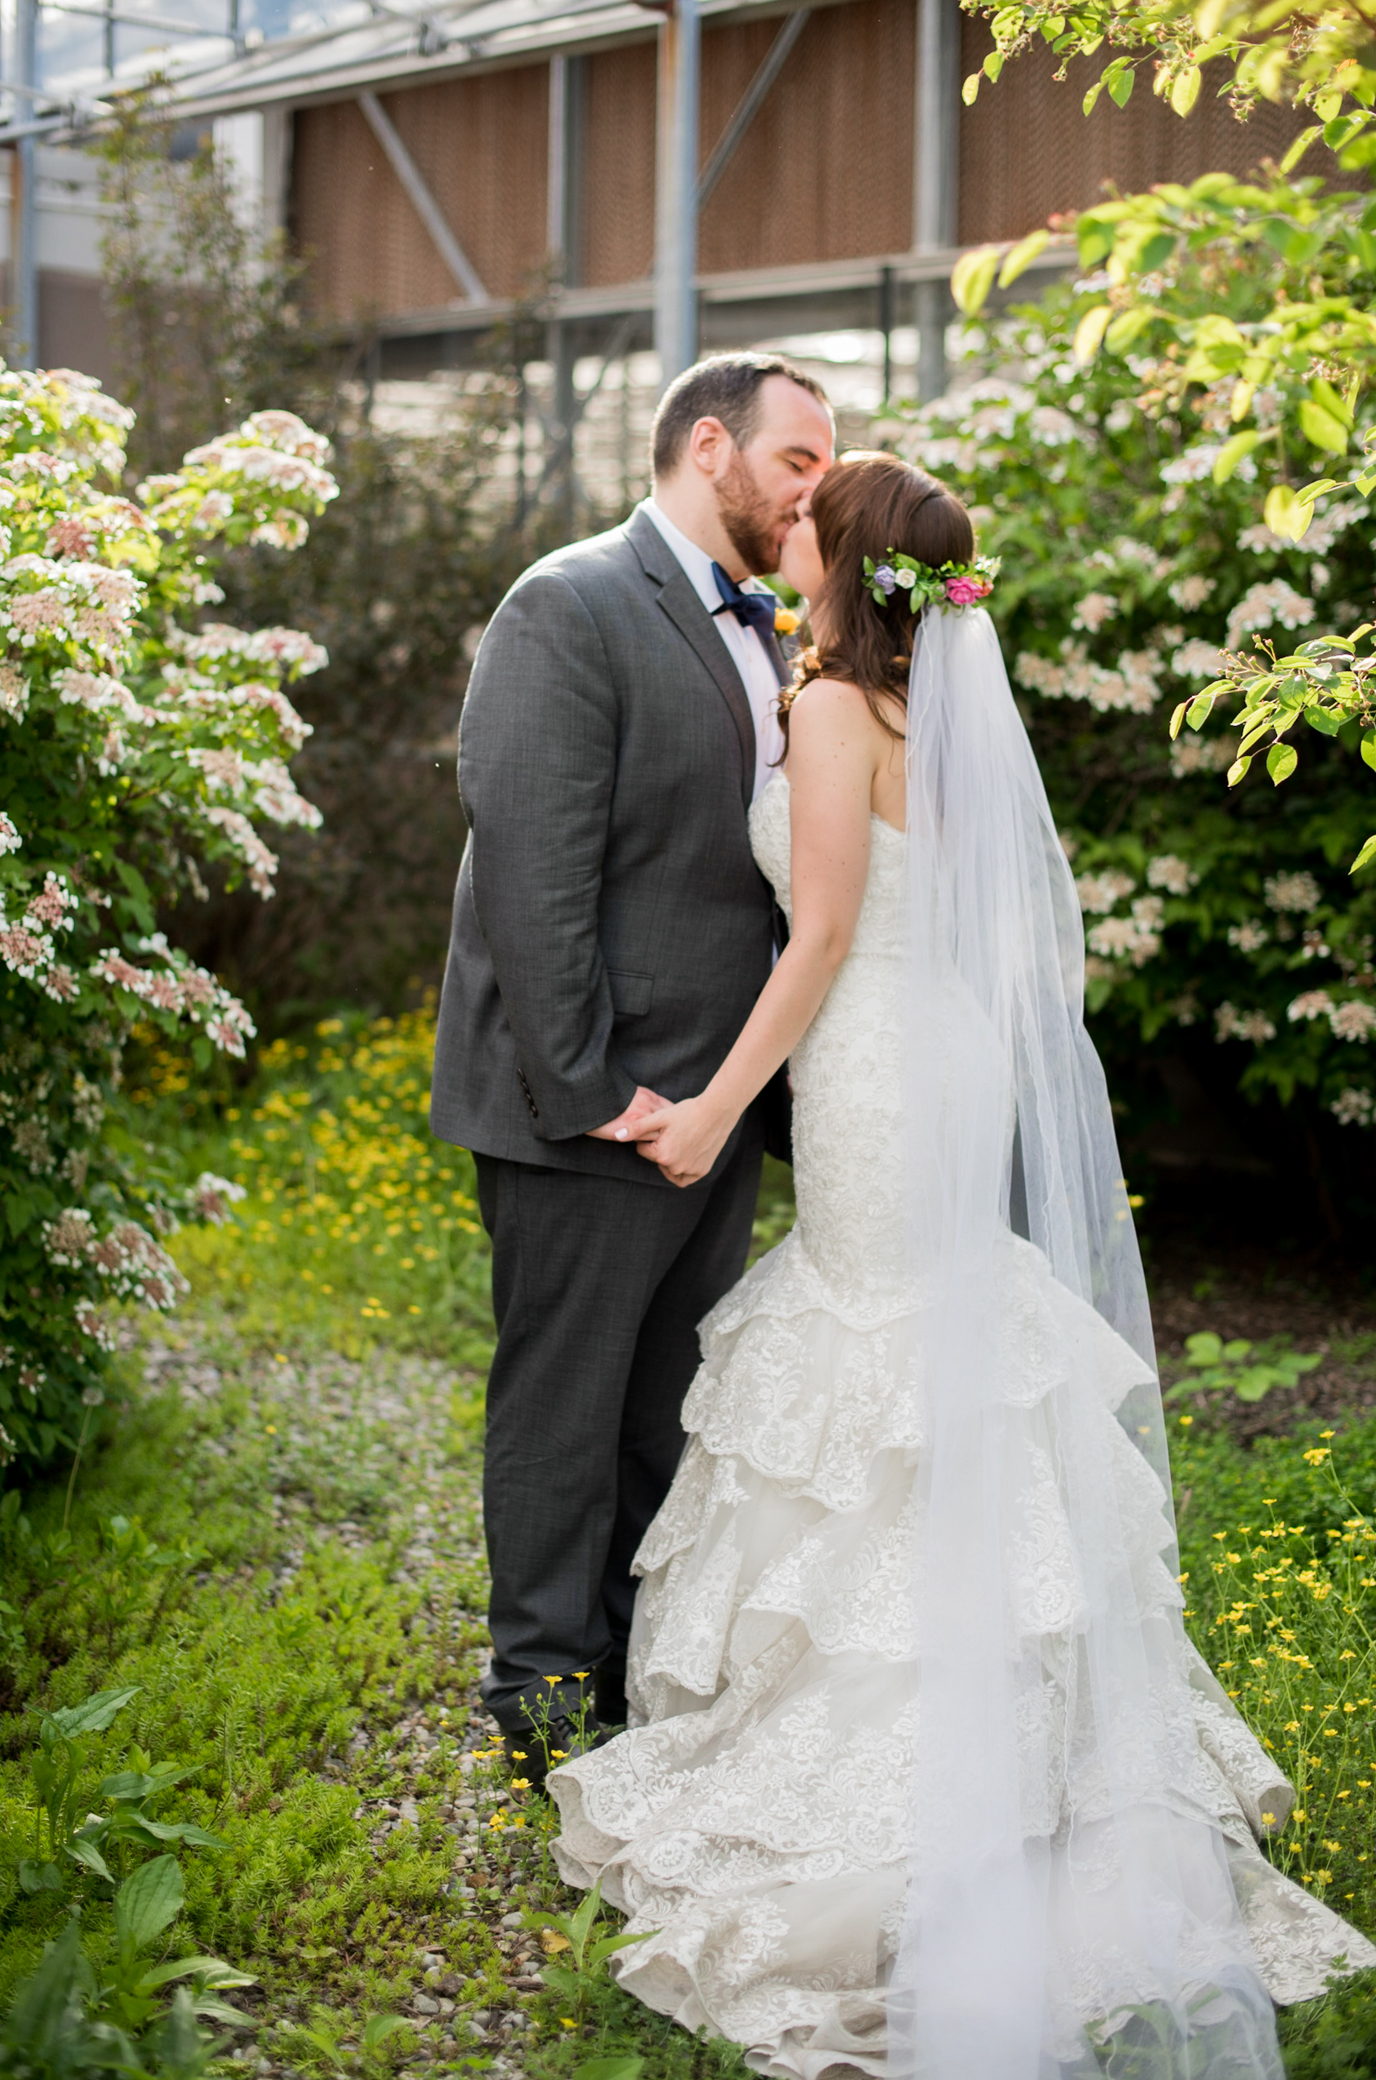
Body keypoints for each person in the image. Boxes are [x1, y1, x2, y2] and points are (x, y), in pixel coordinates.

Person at [549, 453, 1376, 2078]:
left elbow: (827, 935)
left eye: (803, 522)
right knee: (942, 1347)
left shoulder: (836, 710)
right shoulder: (931, 711)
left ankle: (904, 1761)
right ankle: (1026, 1720)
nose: (780, 529)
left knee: (883, 1353)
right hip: (937, 1060)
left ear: (847, 559)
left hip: (869, 1062)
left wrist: (718, 1108)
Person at [430, 351, 836, 1781]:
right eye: (797, 461)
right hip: (592, 1109)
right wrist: (593, 1093)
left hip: (707, 1112)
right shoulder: (570, 602)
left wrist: (736, 1105)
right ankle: (541, 1705)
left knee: (664, 1414)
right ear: (708, 445)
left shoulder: (763, 626)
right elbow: (531, 879)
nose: (815, 489)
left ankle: (624, 1674)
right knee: (563, 1413)